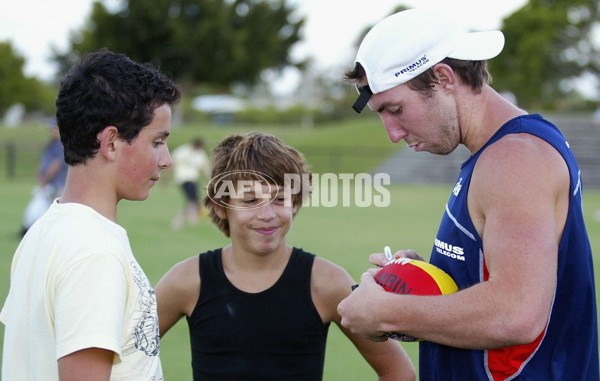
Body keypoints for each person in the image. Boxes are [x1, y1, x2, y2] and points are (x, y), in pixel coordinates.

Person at [337, 8, 599, 381]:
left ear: (443, 78)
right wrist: (432, 281)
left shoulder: (515, 158)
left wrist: (387, 311)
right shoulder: (502, 152)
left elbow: (516, 313)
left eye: (395, 109)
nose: (392, 133)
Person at [155, 131, 416, 381]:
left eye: (280, 198)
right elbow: (125, 353)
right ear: (221, 207)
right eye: (249, 201)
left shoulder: (326, 282)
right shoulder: (187, 280)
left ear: (296, 202)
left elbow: (398, 371)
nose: (267, 214)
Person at [1, 48, 180, 380]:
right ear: (111, 142)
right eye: (157, 142)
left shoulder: (44, 231)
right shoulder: (94, 252)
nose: (166, 159)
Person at [20, 118, 68, 236]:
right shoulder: (51, 144)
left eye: (54, 129)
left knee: (53, 212)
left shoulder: (60, 145)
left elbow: (56, 164)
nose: (52, 131)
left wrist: (45, 179)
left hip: (55, 185)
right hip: (49, 184)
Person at [171, 137, 210, 229]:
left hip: (193, 179)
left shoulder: (200, 154)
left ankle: (184, 219)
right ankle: (187, 219)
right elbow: (173, 161)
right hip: (183, 179)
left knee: (193, 200)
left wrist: (210, 177)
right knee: (192, 200)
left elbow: (205, 167)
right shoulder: (183, 151)